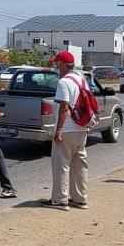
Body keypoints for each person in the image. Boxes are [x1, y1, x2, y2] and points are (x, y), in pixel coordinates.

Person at [42, 51, 89, 210]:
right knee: (79, 165)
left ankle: (59, 200)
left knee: (61, 165)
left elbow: (64, 108)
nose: (56, 66)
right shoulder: (81, 79)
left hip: (67, 128)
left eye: (57, 63)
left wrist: (59, 130)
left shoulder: (64, 82)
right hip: (82, 128)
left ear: (62, 64)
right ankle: (80, 199)